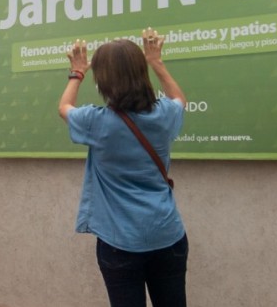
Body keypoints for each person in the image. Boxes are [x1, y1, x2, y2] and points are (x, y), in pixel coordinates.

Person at [58, 27, 189, 307]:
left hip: (119, 244)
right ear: (141, 73)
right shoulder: (165, 115)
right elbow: (180, 100)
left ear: (103, 80)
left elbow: (64, 107)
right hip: (168, 234)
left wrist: (76, 72)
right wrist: (157, 63)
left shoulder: (97, 122)